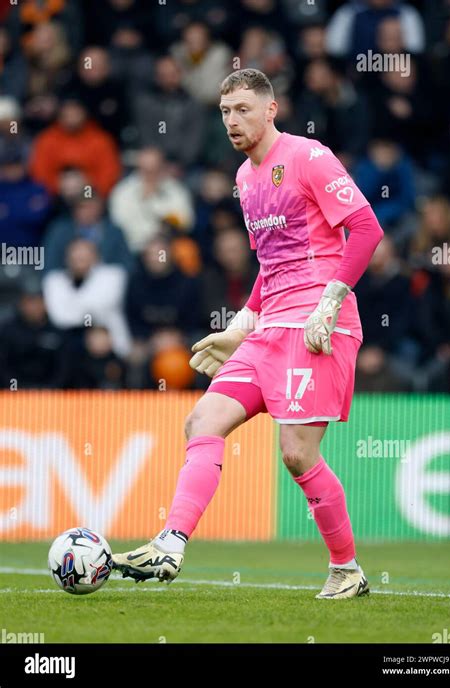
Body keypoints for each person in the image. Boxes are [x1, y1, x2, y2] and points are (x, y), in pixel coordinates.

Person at [113, 68, 384, 600]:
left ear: (270, 109)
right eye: (225, 112)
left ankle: (346, 569)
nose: (233, 121)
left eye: (242, 109)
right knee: (201, 420)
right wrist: (240, 325)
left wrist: (330, 302)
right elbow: (271, 263)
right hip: (269, 329)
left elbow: (367, 229)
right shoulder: (243, 178)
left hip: (316, 326)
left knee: (297, 453)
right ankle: (170, 543)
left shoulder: (308, 156)